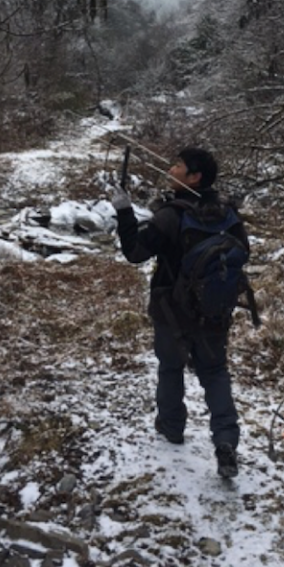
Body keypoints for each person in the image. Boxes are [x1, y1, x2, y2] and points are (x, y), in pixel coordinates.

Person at [112, 146, 245, 479]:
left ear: (194, 176)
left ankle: (172, 428)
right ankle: (226, 440)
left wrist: (124, 212)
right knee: (215, 372)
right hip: (216, 311)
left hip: (172, 311)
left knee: (171, 368)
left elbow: (135, 253)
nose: (170, 169)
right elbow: (244, 253)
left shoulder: (172, 215)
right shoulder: (228, 212)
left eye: (178, 165)